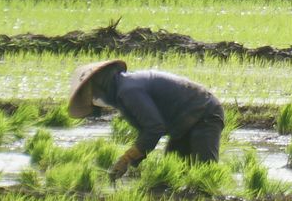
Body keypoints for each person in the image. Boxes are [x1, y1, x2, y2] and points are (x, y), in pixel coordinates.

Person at [68, 59, 226, 179]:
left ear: (100, 86)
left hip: (204, 113)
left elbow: (154, 128)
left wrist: (127, 158)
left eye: (94, 95)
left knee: (206, 173)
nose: (96, 99)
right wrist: (132, 163)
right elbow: (148, 130)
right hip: (182, 125)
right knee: (173, 175)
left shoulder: (128, 91)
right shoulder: (123, 92)